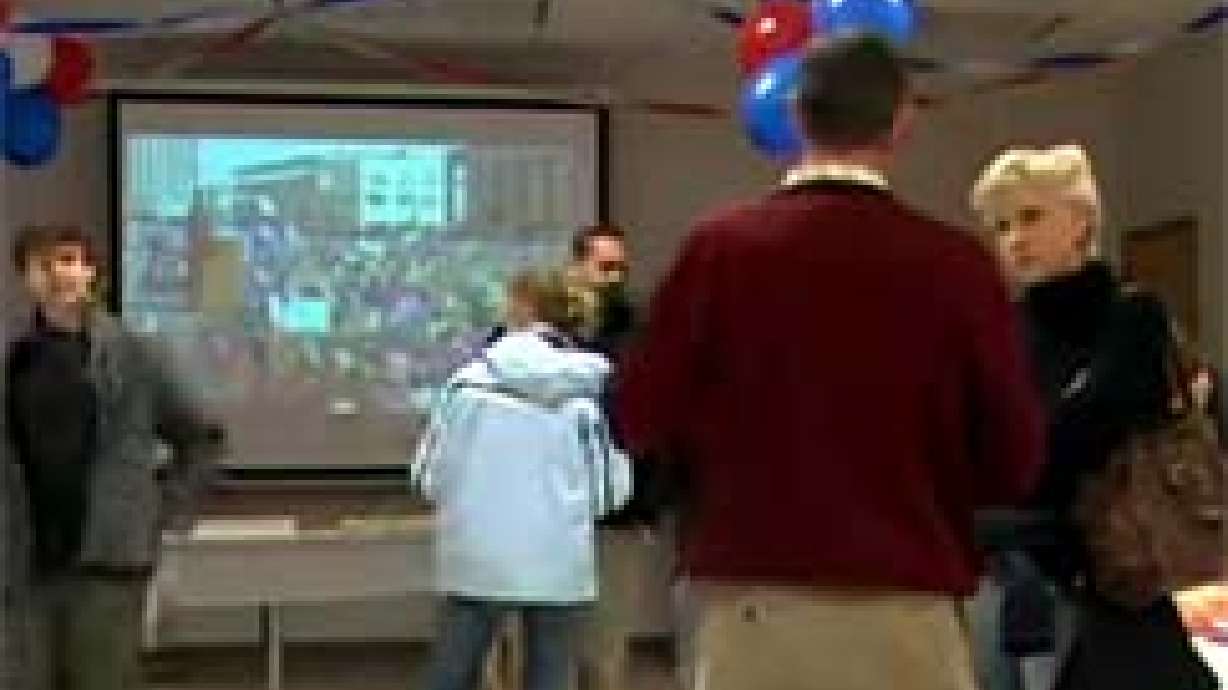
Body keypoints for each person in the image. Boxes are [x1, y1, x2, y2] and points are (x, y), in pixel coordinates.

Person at [616, 33, 1045, 690]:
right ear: (903, 122)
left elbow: (639, 414)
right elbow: (1014, 455)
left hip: (751, 598)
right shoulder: (956, 265)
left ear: (794, 117)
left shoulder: (719, 253)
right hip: (910, 602)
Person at [968, 144, 1219, 690]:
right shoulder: (1003, 332)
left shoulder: (1131, 317)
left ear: (1081, 220)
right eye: (1002, 225)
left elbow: (1077, 438)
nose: (1015, 239)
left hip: (1116, 581)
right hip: (1021, 581)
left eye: (1031, 217)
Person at [1, 224, 222, 690]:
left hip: (106, 569)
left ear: (91, 273)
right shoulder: (13, 361)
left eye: (69, 260)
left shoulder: (134, 356)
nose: (59, 274)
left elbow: (201, 438)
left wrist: (160, 511)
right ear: (26, 278)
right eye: (43, 264)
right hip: (25, 573)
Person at [413, 268, 632, 690]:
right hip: (559, 560)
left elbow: (429, 476)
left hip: (476, 556)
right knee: (551, 674)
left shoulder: (465, 386)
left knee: (452, 674)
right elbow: (610, 490)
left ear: (516, 309)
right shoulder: (589, 392)